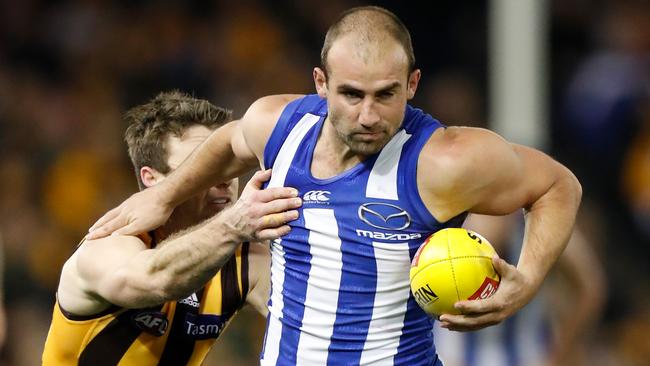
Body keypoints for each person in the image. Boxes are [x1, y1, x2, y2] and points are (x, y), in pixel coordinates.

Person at [87, 6, 582, 366]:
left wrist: (529, 281)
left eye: (385, 95)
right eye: (350, 94)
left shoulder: (446, 160)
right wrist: (163, 197)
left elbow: (558, 185)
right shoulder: (275, 125)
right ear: (321, 83)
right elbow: (229, 142)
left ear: (412, 84)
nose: (368, 116)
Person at [42, 91, 301, 365]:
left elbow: (316, 313)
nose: (224, 180)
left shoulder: (245, 260)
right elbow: (156, 278)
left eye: (224, 166)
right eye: (203, 168)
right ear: (152, 178)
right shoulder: (108, 243)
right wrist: (234, 225)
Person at [434, 213, 605, 366]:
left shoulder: (539, 219)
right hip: (452, 358)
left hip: (529, 357)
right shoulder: (445, 212)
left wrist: (560, 355)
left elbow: (590, 286)